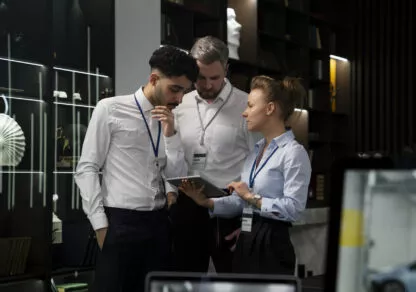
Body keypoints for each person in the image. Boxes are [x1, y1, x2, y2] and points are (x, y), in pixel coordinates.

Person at [74, 45, 198, 292]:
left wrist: (171, 135)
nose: (179, 98)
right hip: (121, 223)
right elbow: (86, 168)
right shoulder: (110, 109)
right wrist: (100, 226)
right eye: (174, 89)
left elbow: (176, 176)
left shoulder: (171, 118)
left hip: (159, 224)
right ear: (154, 79)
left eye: (184, 91)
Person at [179, 75, 312, 275]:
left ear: (270, 109)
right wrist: (207, 203)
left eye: (250, 106)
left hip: (272, 242)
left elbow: (294, 209)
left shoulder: (293, 153)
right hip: (246, 238)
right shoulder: (257, 150)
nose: (244, 112)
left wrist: (252, 197)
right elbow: (241, 202)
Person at [169, 36, 260, 273]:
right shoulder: (179, 104)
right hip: (188, 203)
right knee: (183, 282)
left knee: (236, 282)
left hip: (229, 206)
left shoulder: (246, 105)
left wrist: (250, 223)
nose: (207, 85)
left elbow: (259, 166)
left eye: (215, 78)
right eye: (200, 78)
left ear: (226, 69)